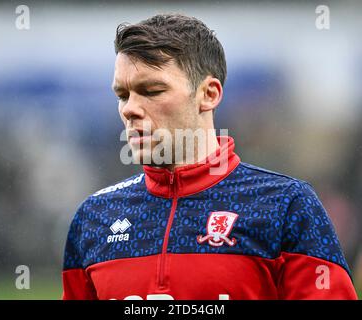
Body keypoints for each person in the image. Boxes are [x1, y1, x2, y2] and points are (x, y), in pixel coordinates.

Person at [62, 13, 357, 300]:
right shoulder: (95, 216)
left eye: (151, 90)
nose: (129, 109)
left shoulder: (285, 205)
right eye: (123, 96)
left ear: (209, 94)